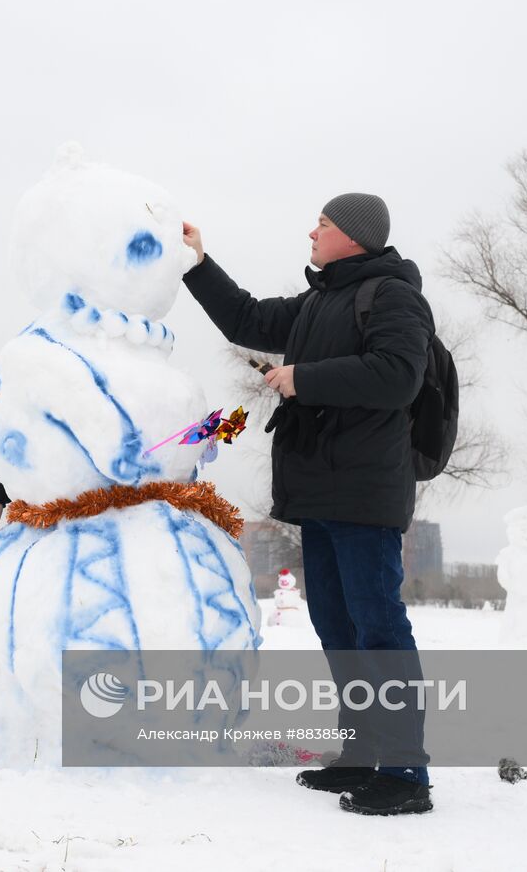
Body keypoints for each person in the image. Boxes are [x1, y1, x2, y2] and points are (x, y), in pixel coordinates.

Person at [182, 193, 434, 816]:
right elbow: (244, 318)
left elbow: (398, 374)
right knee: (337, 627)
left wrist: (304, 378)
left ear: (354, 235)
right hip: (319, 491)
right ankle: (358, 753)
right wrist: (195, 262)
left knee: (378, 629)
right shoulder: (318, 301)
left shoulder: (394, 296)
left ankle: (405, 772)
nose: (312, 232)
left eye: (322, 223)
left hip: (366, 492)